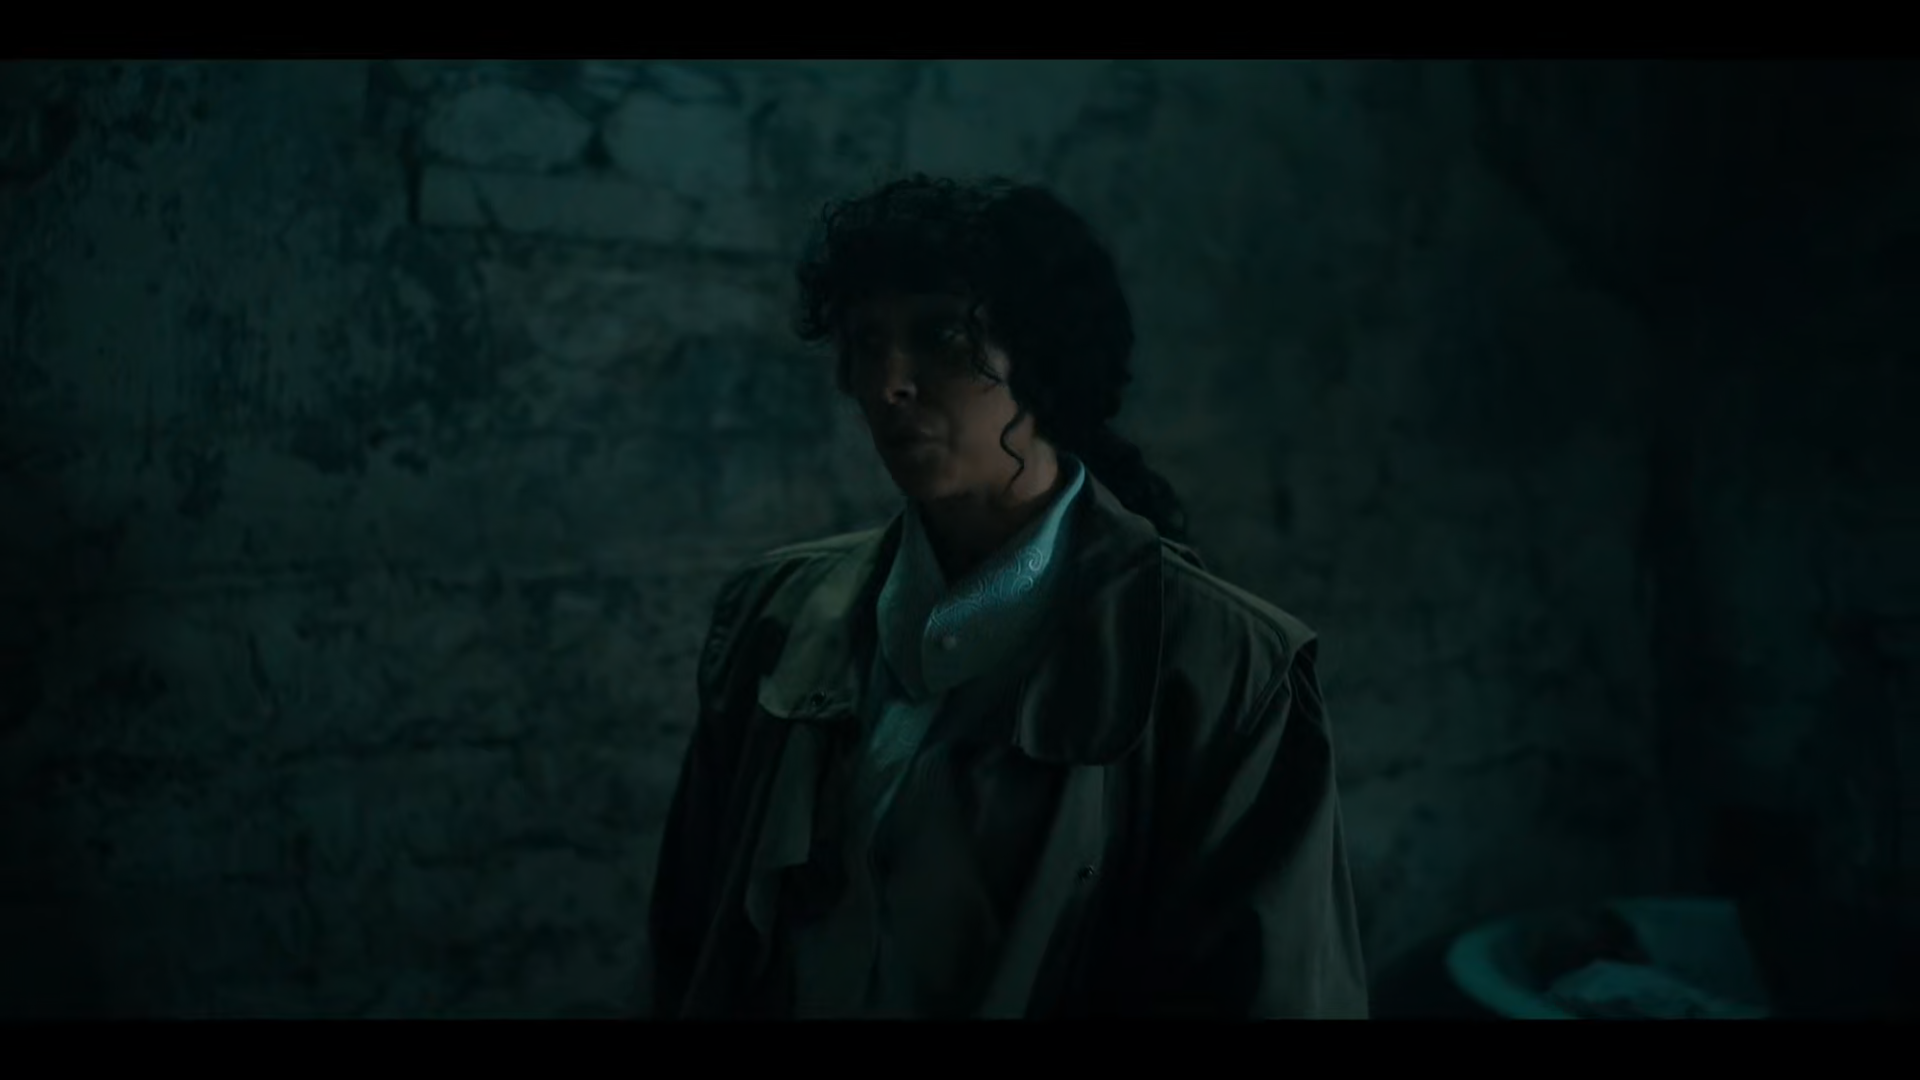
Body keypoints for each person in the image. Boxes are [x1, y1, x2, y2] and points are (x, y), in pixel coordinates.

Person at [649, 175, 1368, 1019]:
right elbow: (691, 940)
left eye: (941, 337)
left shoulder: (1229, 670)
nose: (889, 382)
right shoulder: (773, 613)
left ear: (1046, 357)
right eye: (866, 341)